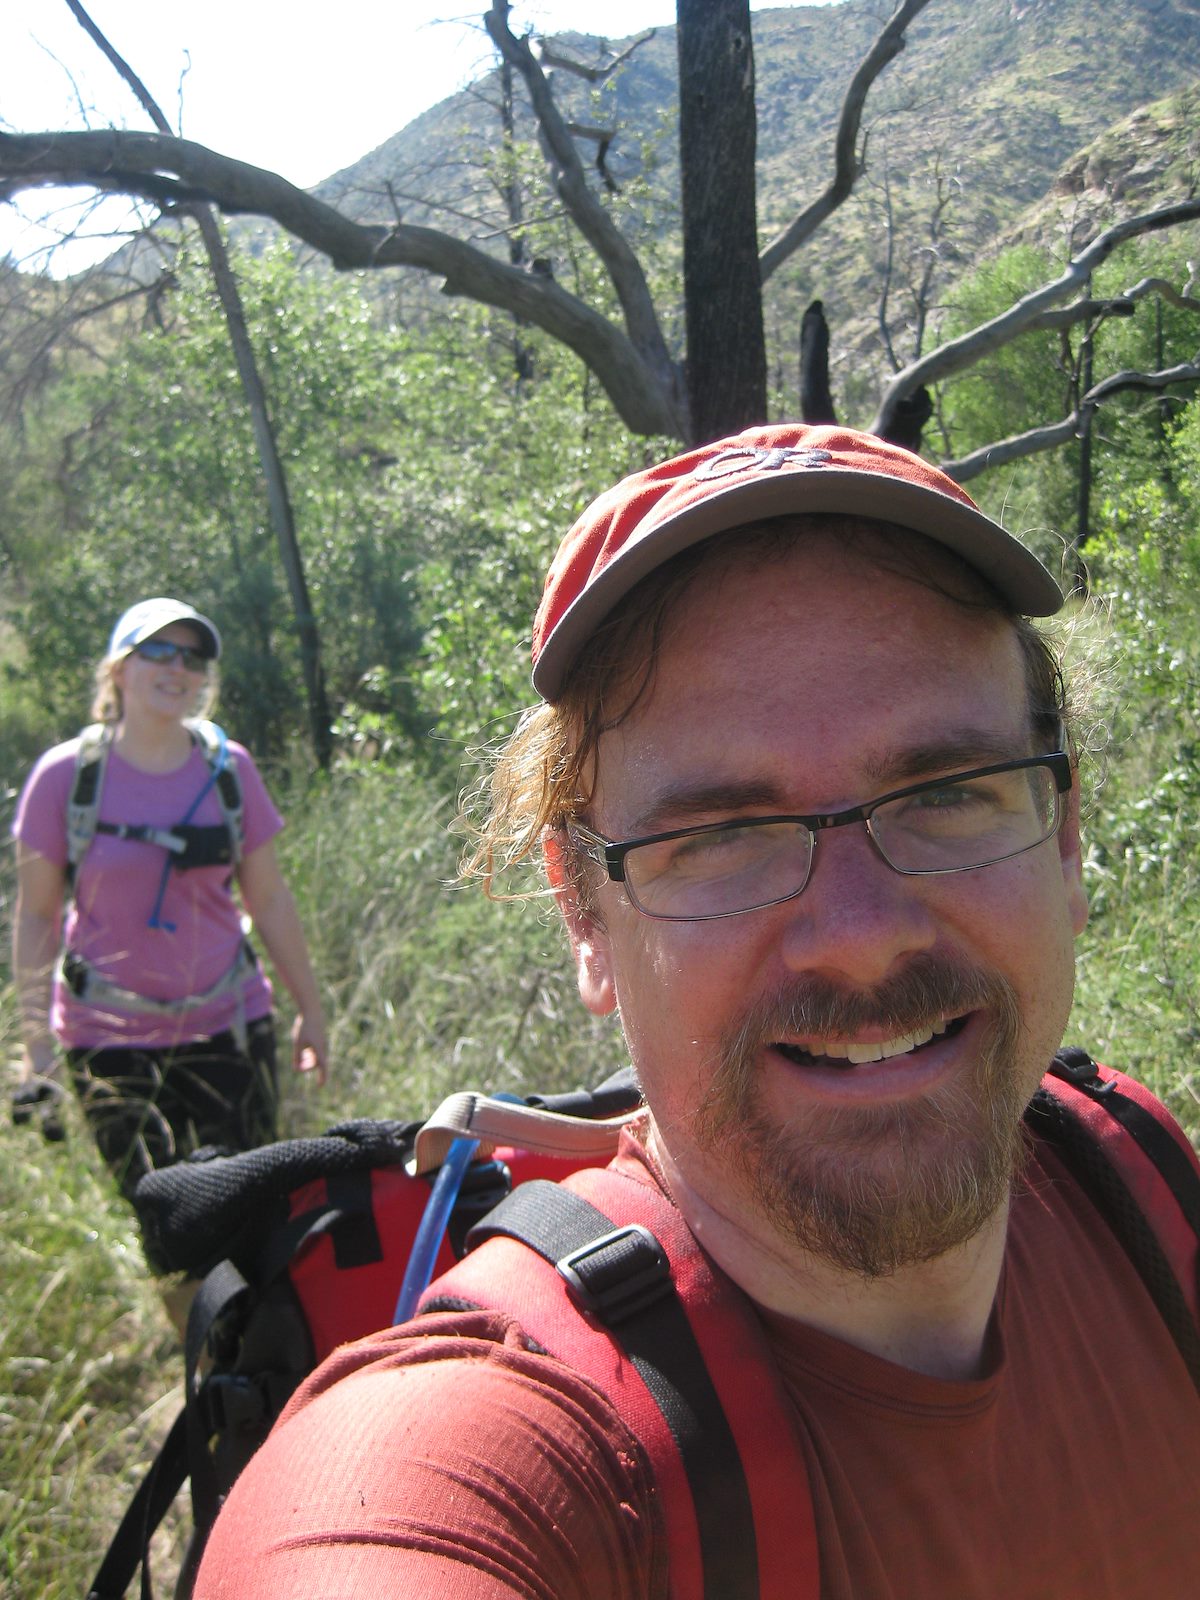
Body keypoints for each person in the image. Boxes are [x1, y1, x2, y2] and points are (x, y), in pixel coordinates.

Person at [195, 427, 1200, 1598]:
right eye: (718, 833)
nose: (862, 930)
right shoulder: (483, 1453)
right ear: (585, 915)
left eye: (947, 793)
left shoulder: (1138, 1188)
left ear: (1067, 837)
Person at [11, 596, 327, 1201]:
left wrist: (309, 1010)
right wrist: (36, 1046)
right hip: (107, 1043)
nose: (177, 668)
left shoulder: (228, 770)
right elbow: (36, 915)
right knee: (162, 1224)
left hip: (229, 1028)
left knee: (254, 1215)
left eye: (192, 657)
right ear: (118, 670)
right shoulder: (63, 778)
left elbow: (270, 900)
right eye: (157, 650)